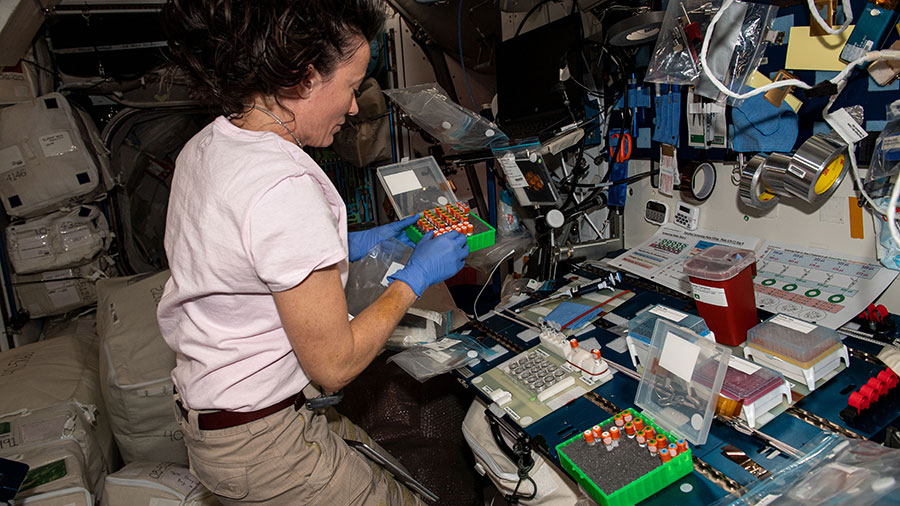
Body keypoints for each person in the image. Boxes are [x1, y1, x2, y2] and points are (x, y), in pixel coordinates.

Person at [157, 1, 469, 504]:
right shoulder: (286, 181)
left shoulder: (209, 145)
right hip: (262, 442)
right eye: (350, 87)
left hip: (220, 425)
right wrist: (414, 277)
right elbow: (335, 365)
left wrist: (355, 242)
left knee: (391, 473)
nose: (352, 108)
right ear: (305, 78)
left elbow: (246, 259)